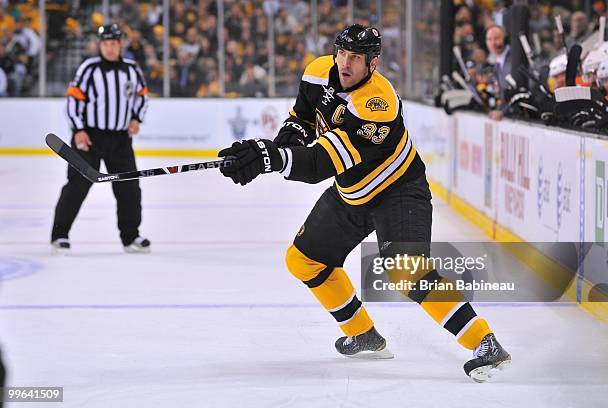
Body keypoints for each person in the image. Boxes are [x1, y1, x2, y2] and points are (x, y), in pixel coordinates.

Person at [217, 24, 511, 382]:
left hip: (397, 190)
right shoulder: (316, 73)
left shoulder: (377, 105)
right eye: (341, 53)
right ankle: (363, 334)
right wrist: (275, 147)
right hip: (353, 193)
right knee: (304, 260)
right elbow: (302, 122)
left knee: (406, 269)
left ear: (373, 63)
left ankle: (485, 342)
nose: (345, 63)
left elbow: (318, 165)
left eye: (355, 58)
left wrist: (270, 159)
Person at [51, 24, 150, 254]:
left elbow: (142, 97)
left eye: (114, 43)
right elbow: (74, 100)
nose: (110, 48)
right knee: (77, 184)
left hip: (120, 139)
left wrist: (136, 118)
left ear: (120, 45)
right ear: (99, 45)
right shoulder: (88, 68)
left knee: (129, 188)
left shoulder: (132, 69)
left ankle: (131, 236)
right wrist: (78, 129)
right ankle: (60, 234)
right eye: (105, 43)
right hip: (90, 137)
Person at [485, 25, 511, 120]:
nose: (493, 43)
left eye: (496, 38)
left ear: (505, 39)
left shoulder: (513, 60)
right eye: (489, 39)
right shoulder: (497, 65)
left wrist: (503, 112)